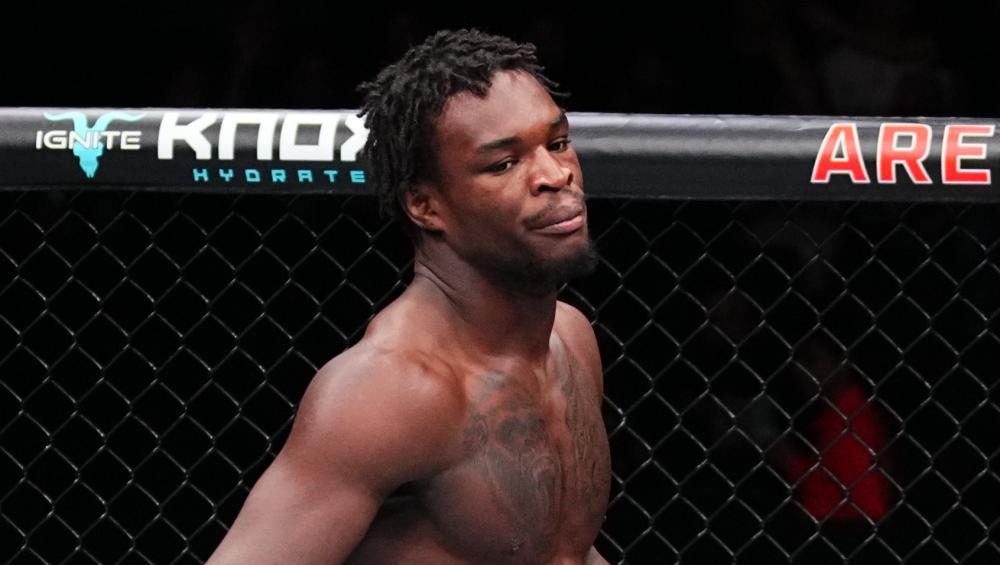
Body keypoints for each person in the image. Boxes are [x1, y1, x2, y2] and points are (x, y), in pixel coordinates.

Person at [208, 28, 611, 564]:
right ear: (425, 205)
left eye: (557, 143)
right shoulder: (391, 391)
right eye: (503, 164)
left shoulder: (569, 340)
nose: (556, 175)